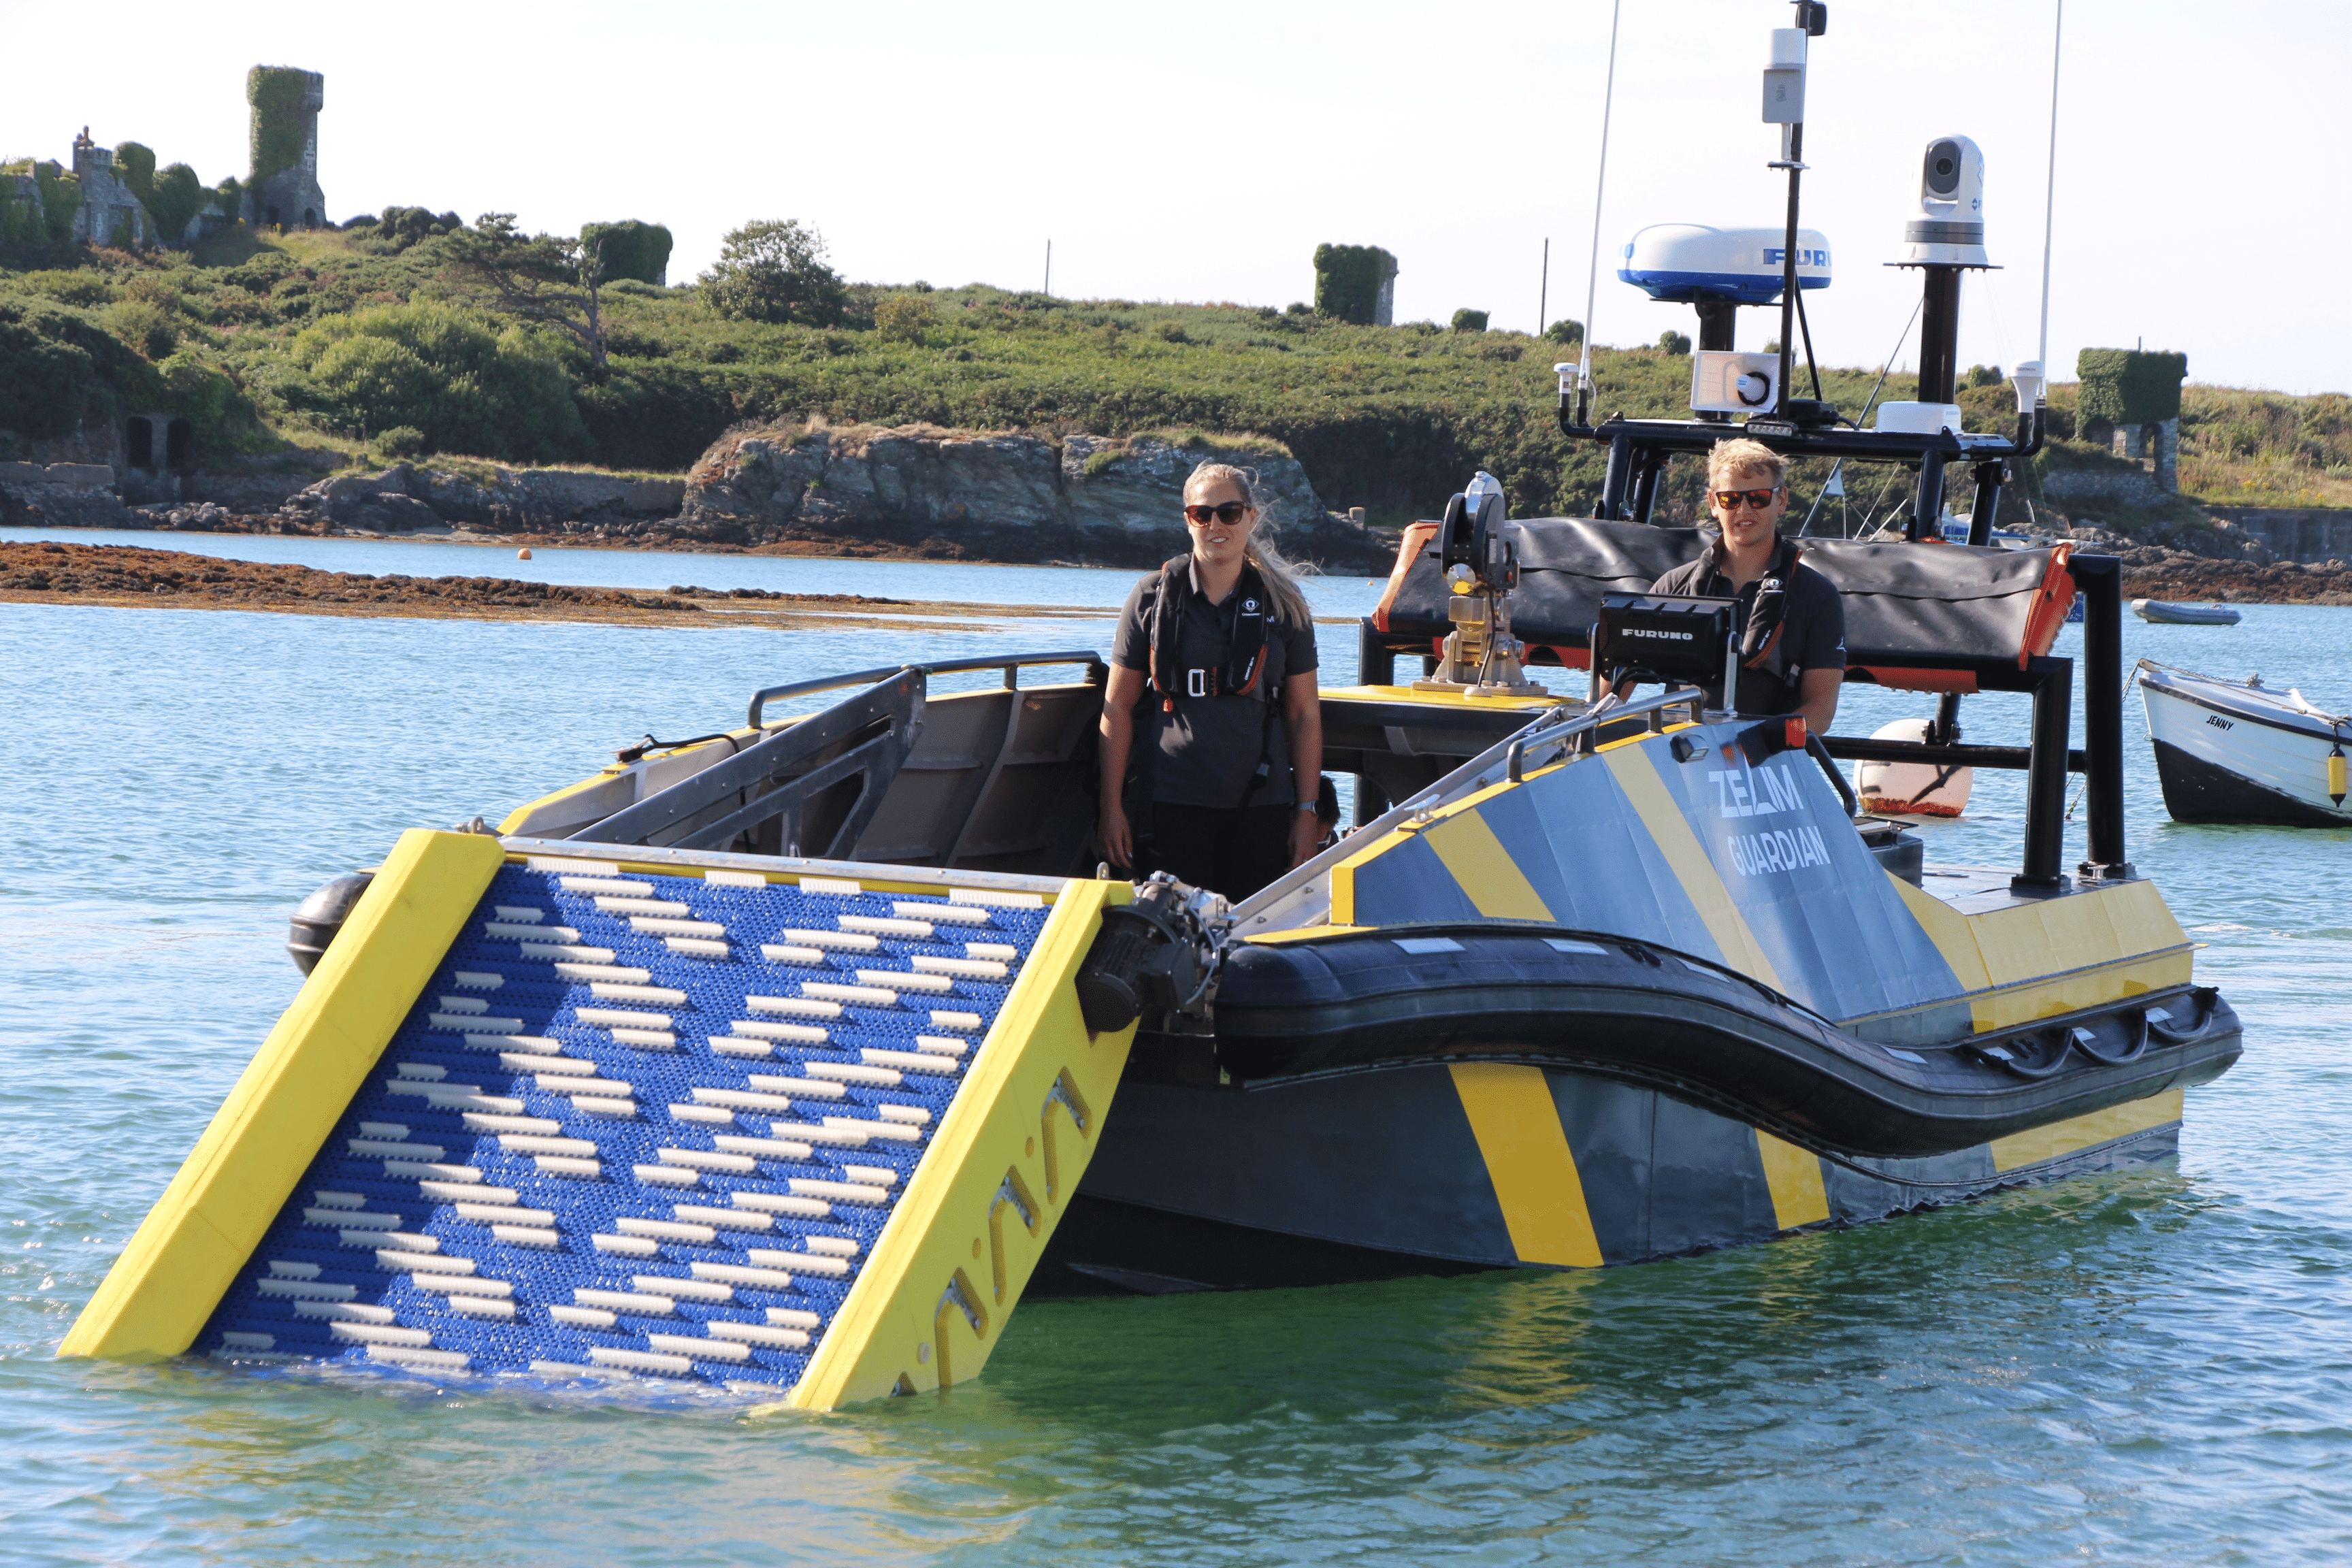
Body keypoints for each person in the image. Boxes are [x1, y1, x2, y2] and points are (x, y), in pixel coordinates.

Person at [1098, 461, 1324, 899]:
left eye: (1230, 512)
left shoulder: (1286, 607)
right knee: (1173, 944)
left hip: (1261, 808)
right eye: (1203, 514)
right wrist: (1112, 810)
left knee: (1250, 942)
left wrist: (1306, 814)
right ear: (1189, 520)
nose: (1216, 524)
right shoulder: (1151, 597)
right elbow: (1117, 709)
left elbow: (1304, 716)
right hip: (1170, 805)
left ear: (1251, 518)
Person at [1648, 437, 1845, 732]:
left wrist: (1759, 744)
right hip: (1680, 759)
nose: (1743, 510)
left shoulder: (1818, 597)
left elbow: (1820, 711)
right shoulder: (1673, 587)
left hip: (1766, 760)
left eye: (1759, 498)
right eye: (1731, 499)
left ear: (1781, 500)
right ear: (1714, 503)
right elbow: (1614, 685)